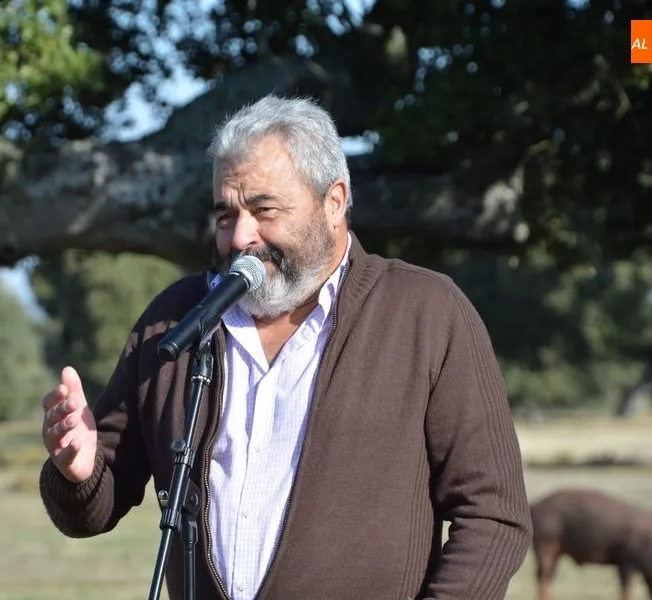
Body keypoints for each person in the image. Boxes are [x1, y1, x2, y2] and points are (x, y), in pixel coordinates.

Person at [38, 94, 533, 600]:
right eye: (225, 215)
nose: (240, 238)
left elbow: (493, 515)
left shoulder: (426, 312)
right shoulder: (176, 321)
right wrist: (77, 470)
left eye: (263, 209)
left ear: (334, 201)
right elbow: (94, 507)